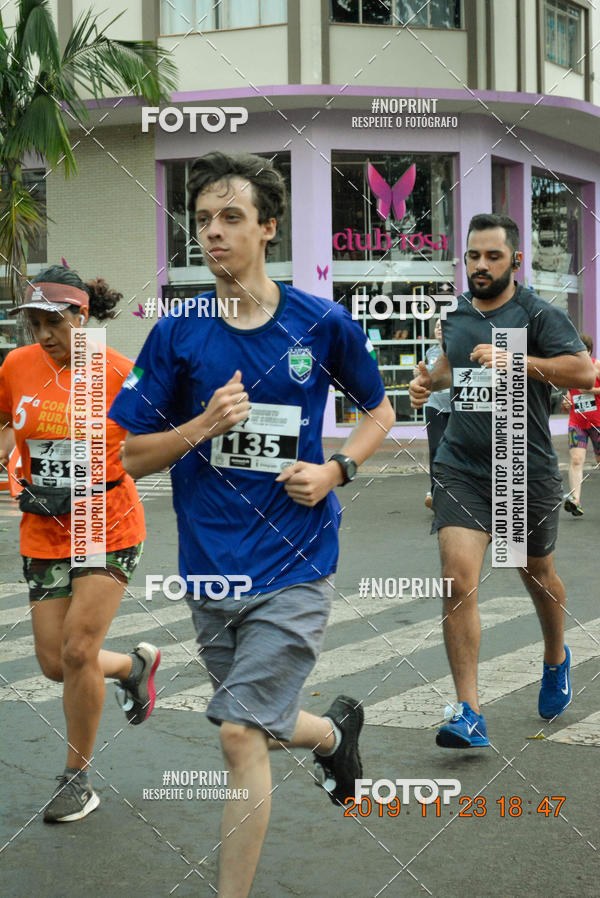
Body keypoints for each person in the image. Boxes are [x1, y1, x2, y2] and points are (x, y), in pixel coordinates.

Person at [109, 151, 395, 898]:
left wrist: (337, 471)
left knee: (239, 731)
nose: (212, 232)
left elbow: (381, 410)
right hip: (211, 564)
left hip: (299, 558)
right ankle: (333, 735)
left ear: (269, 228)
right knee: (259, 721)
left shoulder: (320, 322)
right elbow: (131, 456)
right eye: (202, 219)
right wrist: (202, 424)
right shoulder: (178, 332)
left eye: (231, 217)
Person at [409, 213, 594, 748]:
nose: (481, 266)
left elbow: (584, 374)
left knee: (536, 573)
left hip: (522, 467)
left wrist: (518, 360)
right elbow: (449, 366)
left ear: (515, 260)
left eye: (492, 256)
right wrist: (428, 382)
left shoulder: (538, 313)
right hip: (461, 466)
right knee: (457, 578)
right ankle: (468, 712)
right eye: (473, 256)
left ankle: (556, 655)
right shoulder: (459, 314)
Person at [0, 266, 159, 823]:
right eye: (34, 324)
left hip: (104, 520)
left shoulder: (117, 373)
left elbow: (156, 440)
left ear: (81, 317)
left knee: (75, 651)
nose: (42, 334)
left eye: (53, 322)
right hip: (42, 525)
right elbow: (5, 417)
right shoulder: (16, 365)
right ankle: (131, 669)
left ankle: (76, 778)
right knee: (52, 662)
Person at [561, 333, 600, 516]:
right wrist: (566, 402)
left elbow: (589, 390)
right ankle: (575, 500)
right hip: (577, 422)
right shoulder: (570, 370)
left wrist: (591, 390)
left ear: (589, 351)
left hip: (598, 422)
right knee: (576, 459)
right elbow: (570, 395)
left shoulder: (596, 365)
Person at [422, 318, 451, 509]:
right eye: (437, 326)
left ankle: (454, 492)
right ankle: (435, 493)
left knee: (454, 450)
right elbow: (427, 377)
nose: (439, 328)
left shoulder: (456, 349)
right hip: (434, 406)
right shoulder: (430, 352)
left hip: (454, 406)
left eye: (443, 325)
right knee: (436, 449)